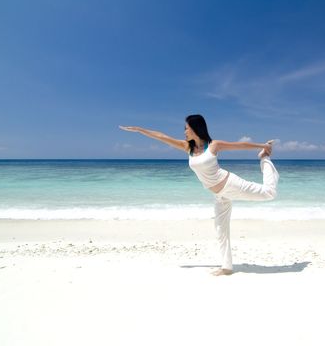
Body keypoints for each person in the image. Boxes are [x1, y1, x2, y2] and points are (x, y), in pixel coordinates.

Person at [119, 114, 279, 276]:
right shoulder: (187, 148)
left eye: (186, 128)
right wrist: (140, 130)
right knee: (220, 230)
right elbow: (162, 137)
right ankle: (227, 267)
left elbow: (240, 145)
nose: (184, 132)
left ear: (196, 128)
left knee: (269, 193)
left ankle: (264, 159)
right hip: (219, 195)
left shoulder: (213, 145)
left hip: (230, 184)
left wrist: (262, 147)